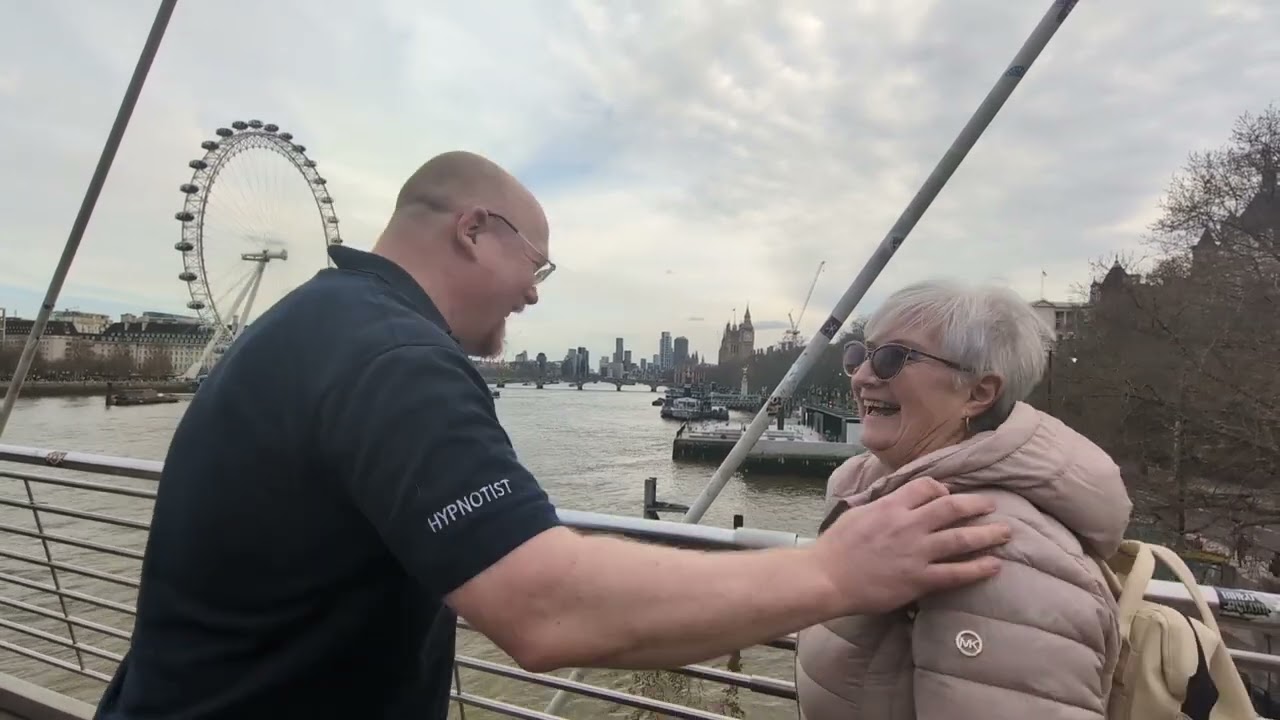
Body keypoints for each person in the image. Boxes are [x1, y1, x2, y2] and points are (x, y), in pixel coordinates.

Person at [94, 152, 1011, 720]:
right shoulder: (395, 359)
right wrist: (834, 573)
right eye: (537, 263)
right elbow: (543, 605)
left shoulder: (307, 324)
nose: (536, 291)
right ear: (475, 232)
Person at [795, 279, 1133, 720]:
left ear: (978, 393)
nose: (861, 377)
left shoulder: (998, 550)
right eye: (860, 354)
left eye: (892, 358)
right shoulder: (892, 505)